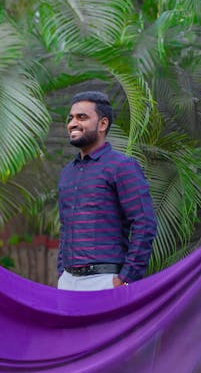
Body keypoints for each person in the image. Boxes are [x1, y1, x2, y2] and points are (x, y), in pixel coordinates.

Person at [57, 91, 157, 291]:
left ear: (102, 124)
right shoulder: (67, 173)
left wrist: (126, 279)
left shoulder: (122, 167)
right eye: (71, 118)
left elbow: (144, 223)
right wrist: (62, 273)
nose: (72, 123)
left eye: (82, 117)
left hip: (105, 282)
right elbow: (65, 228)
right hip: (67, 282)